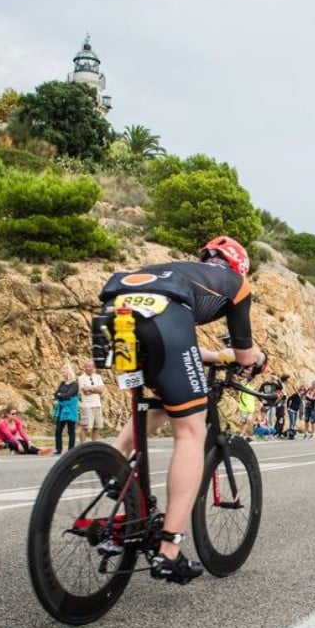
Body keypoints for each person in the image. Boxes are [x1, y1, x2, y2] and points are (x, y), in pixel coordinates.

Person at [100, 235, 265, 583]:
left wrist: (215, 355)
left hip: (115, 311)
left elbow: (177, 339)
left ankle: (113, 466)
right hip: (164, 320)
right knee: (191, 431)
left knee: (162, 400)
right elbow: (244, 355)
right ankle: (169, 550)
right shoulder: (236, 284)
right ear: (239, 267)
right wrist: (257, 359)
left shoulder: (177, 271)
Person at [52, 362, 80, 454]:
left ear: (68, 371)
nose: (62, 374)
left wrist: (60, 395)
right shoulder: (62, 383)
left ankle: (71, 450)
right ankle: (58, 448)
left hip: (71, 409)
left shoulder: (75, 384)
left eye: (63, 372)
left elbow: (69, 394)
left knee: (71, 430)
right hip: (61, 409)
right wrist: (61, 395)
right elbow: (56, 394)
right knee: (58, 429)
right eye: (62, 373)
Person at [77, 358, 106, 443]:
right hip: (87, 406)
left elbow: (102, 390)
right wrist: (96, 389)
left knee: (97, 426)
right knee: (85, 426)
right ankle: (82, 445)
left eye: (89, 366)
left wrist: (91, 388)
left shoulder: (98, 377)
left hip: (97, 404)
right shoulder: (81, 378)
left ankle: (94, 444)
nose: (88, 368)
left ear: (93, 367)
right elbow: (86, 392)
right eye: (86, 366)